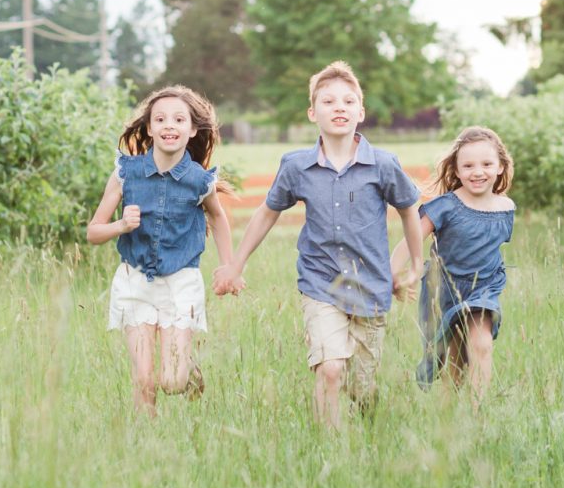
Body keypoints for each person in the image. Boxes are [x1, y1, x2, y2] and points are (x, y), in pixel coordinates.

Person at [215, 61, 423, 427]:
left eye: (348, 101)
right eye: (328, 101)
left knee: (361, 385)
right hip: (319, 284)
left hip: (371, 288)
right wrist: (236, 264)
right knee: (329, 370)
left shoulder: (383, 165)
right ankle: (332, 451)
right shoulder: (296, 166)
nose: (339, 107)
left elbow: (409, 210)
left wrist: (414, 265)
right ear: (313, 112)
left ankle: (370, 422)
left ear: (361, 111)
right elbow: (267, 212)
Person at [87, 85, 242, 414]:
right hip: (134, 281)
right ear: (148, 128)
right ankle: (146, 452)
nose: (169, 125)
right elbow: (93, 232)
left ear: (192, 129)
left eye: (178, 119)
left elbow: (218, 217)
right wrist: (120, 226)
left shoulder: (200, 181)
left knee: (171, 381)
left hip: (180, 283)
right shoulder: (125, 174)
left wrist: (230, 267)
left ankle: (188, 369)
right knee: (144, 380)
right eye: (160, 119)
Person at [391, 126, 514, 402]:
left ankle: (476, 414)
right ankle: (449, 423)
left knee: (481, 344)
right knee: (454, 363)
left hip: (484, 289)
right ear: (456, 171)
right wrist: (392, 274)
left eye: (486, 164)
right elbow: (413, 238)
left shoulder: (506, 208)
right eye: (468, 165)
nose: (477, 171)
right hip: (444, 289)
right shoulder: (446, 206)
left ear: (500, 167)